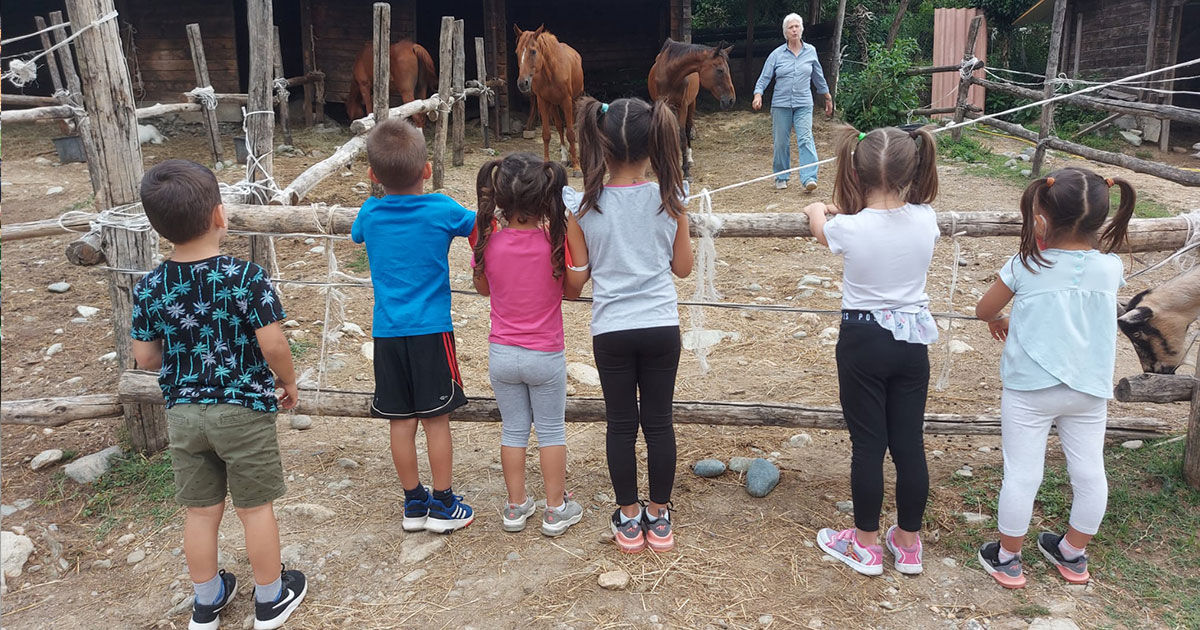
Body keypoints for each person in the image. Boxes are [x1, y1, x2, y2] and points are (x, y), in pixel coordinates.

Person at [131, 159, 306, 630]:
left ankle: (206, 602)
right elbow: (272, 343)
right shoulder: (246, 277)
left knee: (201, 512)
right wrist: (287, 381)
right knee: (254, 508)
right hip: (243, 409)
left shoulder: (150, 286)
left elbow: (145, 358)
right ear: (219, 215)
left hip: (184, 414)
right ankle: (270, 598)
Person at [974, 168, 1133, 589]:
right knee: (1090, 472)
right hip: (1088, 390)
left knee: (1023, 474)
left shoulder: (1027, 263)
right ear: (1100, 219)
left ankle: (1008, 559)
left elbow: (983, 310)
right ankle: (1073, 553)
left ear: (1040, 220)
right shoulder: (1111, 268)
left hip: (1030, 389)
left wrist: (1004, 317)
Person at [802, 126, 940, 577]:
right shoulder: (926, 219)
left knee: (868, 444)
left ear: (856, 173)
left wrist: (816, 208)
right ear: (913, 171)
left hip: (863, 339)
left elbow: (822, 226)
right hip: (913, 342)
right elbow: (892, 218)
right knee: (908, 444)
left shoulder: (848, 228)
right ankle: (909, 543)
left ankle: (864, 545)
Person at [566, 97, 693, 554]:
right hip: (660, 324)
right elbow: (683, 269)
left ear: (599, 142)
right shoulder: (670, 201)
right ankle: (659, 517)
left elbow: (577, 277)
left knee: (620, 424)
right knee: (659, 423)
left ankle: (627, 516)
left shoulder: (581, 208)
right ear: (653, 143)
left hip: (611, 329)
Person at [351, 118, 475, 534]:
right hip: (431, 330)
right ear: (427, 169)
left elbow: (355, 235)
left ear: (372, 175)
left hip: (387, 332)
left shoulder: (369, 212)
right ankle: (443, 503)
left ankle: (413, 501)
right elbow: (476, 224)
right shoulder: (442, 208)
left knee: (400, 422)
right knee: (436, 419)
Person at [472, 153, 584, 536]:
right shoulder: (551, 245)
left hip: (501, 353)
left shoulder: (491, 242)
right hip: (545, 353)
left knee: (513, 430)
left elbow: (482, 287)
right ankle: (556, 508)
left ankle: (515, 506)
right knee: (551, 431)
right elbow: (572, 291)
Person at [752, 12, 833, 192]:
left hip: (804, 103)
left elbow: (818, 77)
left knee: (805, 138)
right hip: (781, 104)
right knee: (781, 141)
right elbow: (764, 77)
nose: (794, 30)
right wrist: (758, 94)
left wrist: (827, 97)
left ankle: (809, 178)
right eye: (791, 27)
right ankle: (782, 176)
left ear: (801, 30)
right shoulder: (776, 55)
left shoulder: (810, 51)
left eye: (797, 26)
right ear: (785, 32)